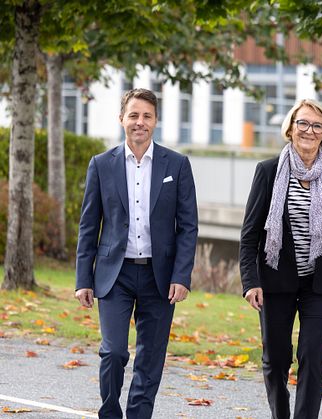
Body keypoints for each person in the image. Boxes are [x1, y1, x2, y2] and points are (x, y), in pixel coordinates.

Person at [74, 88, 198, 418]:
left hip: (161, 278)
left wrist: (181, 275)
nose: (139, 122)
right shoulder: (101, 164)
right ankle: (110, 413)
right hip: (116, 275)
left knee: (150, 357)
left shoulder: (178, 164)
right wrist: (82, 279)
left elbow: (188, 227)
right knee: (113, 352)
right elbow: (89, 225)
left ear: (155, 121)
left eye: (146, 116)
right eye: (133, 115)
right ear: (121, 119)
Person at [239, 98, 322, 419]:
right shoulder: (267, 172)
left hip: (321, 284)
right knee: (276, 358)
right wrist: (250, 282)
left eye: (316, 125)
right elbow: (250, 234)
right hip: (275, 280)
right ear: (290, 129)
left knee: (313, 355)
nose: (309, 130)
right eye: (302, 123)